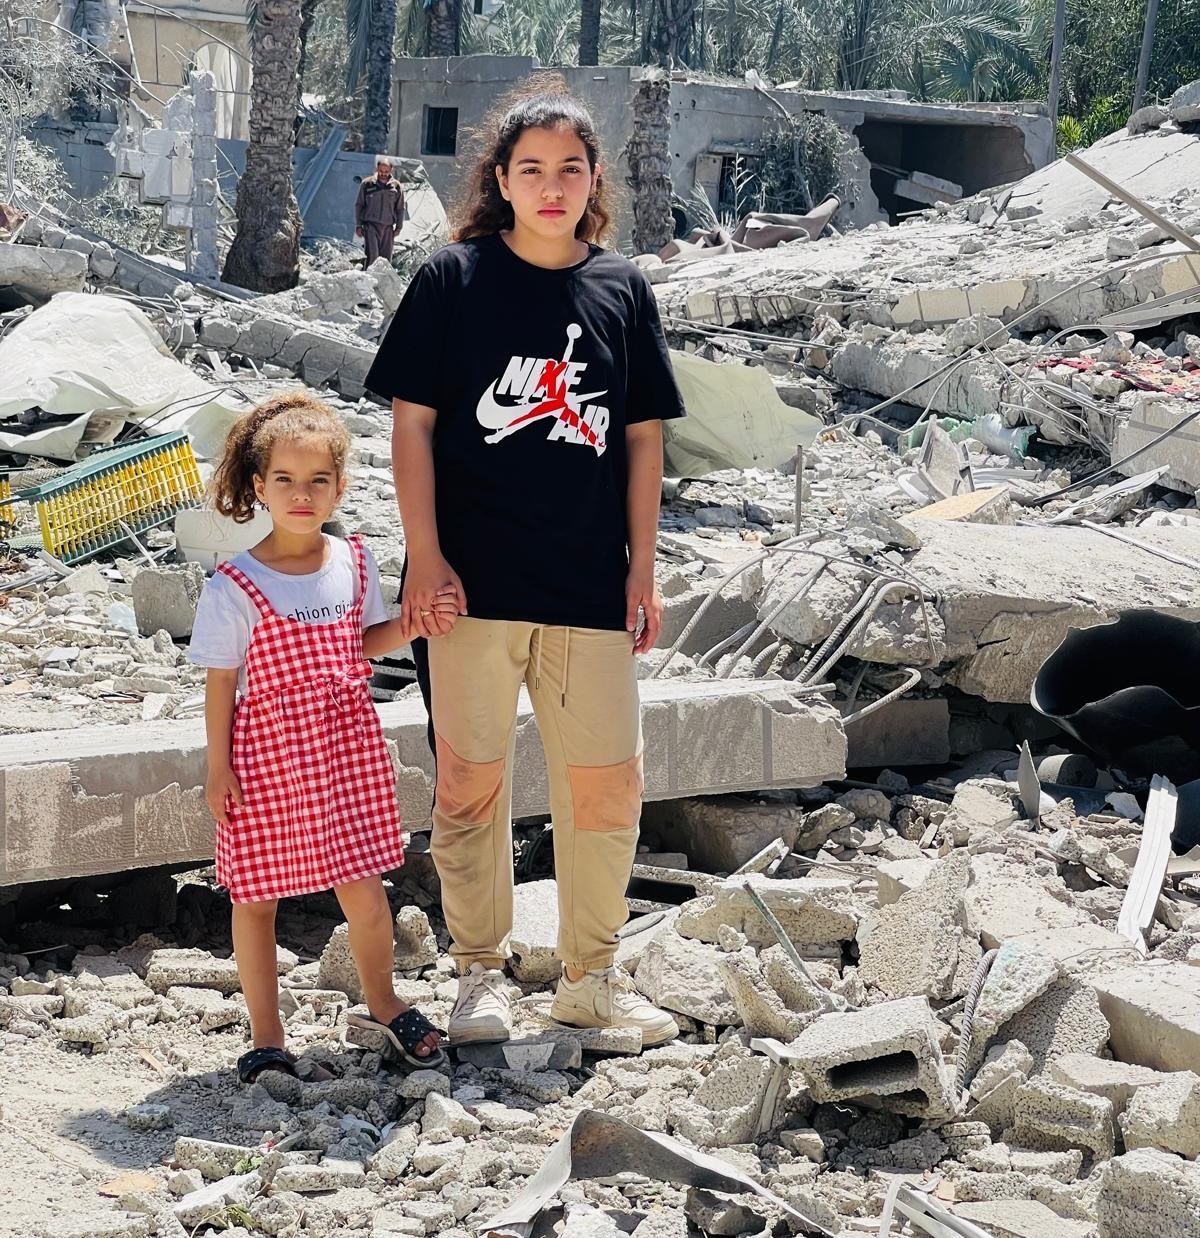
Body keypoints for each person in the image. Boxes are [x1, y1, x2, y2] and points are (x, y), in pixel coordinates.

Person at [364, 80, 686, 1050]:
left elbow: (641, 440)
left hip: (590, 585)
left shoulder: (622, 290)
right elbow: (411, 426)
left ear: (595, 184)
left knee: (609, 782)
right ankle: (478, 975)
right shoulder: (451, 281)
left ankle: (591, 977)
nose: (552, 186)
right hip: (467, 587)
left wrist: (643, 568)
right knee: (469, 783)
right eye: (531, 168)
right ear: (500, 180)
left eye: (571, 169)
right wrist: (424, 557)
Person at [189, 391, 457, 1082]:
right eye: (284, 480)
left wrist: (415, 625)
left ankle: (384, 1000)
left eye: (317, 481)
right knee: (256, 900)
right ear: (258, 486)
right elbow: (221, 685)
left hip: (343, 752)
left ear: (339, 487)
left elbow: (364, 643)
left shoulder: (354, 562)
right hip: (264, 756)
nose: (301, 494)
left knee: (365, 891)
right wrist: (218, 770)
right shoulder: (234, 585)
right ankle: (268, 1035)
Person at [355, 158, 405, 264]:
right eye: (381, 171)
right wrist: (359, 225)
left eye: (386, 172)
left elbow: (400, 208)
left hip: (388, 228)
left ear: (391, 170)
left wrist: (399, 227)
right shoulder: (367, 184)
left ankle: (382, 280)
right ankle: (369, 279)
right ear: (377, 169)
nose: (383, 174)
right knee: (372, 258)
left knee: (385, 261)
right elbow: (359, 205)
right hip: (371, 226)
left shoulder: (396, 186)